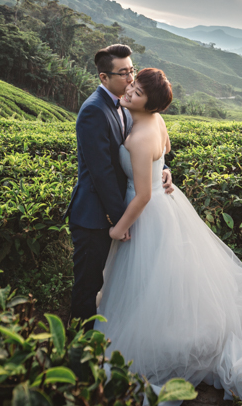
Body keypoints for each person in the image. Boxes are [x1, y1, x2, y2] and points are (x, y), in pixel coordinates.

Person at [95, 68, 242, 401]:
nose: (130, 92)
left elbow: (143, 194)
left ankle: (161, 341)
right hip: (166, 205)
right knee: (164, 279)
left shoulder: (138, 136)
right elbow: (160, 159)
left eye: (137, 92)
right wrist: (163, 171)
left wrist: (118, 227)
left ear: (151, 106)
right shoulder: (156, 123)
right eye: (132, 86)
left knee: (149, 281)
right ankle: (172, 330)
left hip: (147, 211)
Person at [67, 45, 173, 330]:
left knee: (121, 281)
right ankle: (79, 347)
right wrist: (119, 219)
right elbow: (101, 172)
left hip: (122, 210)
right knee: (89, 285)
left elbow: (153, 149)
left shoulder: (126, 106)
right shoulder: (93, 111)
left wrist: (162, 169)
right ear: (104, 77)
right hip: (94, 214)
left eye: (132, 71)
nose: (130, 80)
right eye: (124, 73)